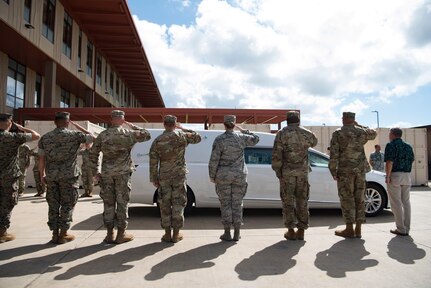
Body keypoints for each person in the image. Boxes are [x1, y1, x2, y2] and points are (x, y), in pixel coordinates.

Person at [90, 110, 151, 244]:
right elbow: (147, 135)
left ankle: (109, 234)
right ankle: (121, 234)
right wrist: (132, 125)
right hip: (123, 174)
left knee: (108, 203)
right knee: (122, 203)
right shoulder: (128, 134)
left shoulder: (103, 135)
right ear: (122, 120)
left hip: (106, 174)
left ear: (111, 120)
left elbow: (93, 154)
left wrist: (96, 172)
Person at [38, 112, 94, 244]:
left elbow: (41, 159)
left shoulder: (45, 138)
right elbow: (92, 138)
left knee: (53, 205)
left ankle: (54, 234)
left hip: (51, 176)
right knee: (67, 204)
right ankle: (63, 234)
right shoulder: (75, 135)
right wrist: (81, 128)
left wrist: (42, 175)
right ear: (68, 122)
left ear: (55, 122)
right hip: (69, 176)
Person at [150, 115, 201, 243]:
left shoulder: (158, 140)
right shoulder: (181, 137)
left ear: (164, 124)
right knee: (178, 203)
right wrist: (183, 128)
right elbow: (197, 138)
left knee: (165, 204)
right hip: (179, 175)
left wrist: (154, 178)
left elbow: (153, 162)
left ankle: (167, 234)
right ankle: (176, 234)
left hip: (164, 176)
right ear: (175, 124)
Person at [209, 115, 260, 241]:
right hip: (239, 175)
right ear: (234, 123)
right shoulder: (241, 137)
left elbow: (214, 160)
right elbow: (256, 139)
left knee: (225, 204)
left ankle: (227, 233)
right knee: (237, 203)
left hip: (223, 176)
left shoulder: (219, 139)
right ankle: (237, 232)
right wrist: (243, 130)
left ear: (224, 124)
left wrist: (212, 175)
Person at [329, 112, 376, 238]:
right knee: (359, 198)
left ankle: (349, 229)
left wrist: (333, 171)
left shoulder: (338, 133)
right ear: (353, 120)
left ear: (343, 119)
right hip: (360, 171)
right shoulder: (361, 132)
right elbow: (373, 133)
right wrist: (359, 125)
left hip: (345, 171)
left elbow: (334, 154)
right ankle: (358, 229)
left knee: (347, 199)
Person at [272, 111, 318, 241]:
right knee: (302, 201)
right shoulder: (307, 133)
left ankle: (291, 231)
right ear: (299, 120)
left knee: (288, 202)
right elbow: (314, 142)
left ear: (287, 120)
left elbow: (276, 155)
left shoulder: (281, 133)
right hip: (302, 173)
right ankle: (302, 230)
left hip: (287, 174)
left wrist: (278, 172)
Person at [0, 113, 40, 243]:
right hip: (8, 177)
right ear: (9, 123)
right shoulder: (13, 137)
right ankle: (2, 233)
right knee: (7, 203)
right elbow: (36, 136)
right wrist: (22, 128)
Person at [384, 128, 415, 236]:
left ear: (392, 134)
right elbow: (412, 160)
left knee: (396, 203)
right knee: (406, 202)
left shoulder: (390, 145)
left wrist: (387, 176)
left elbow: (389, 162)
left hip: (395, 175)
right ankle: (406, 227)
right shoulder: (408, 146)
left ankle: (401, 229)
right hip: (406, 175)